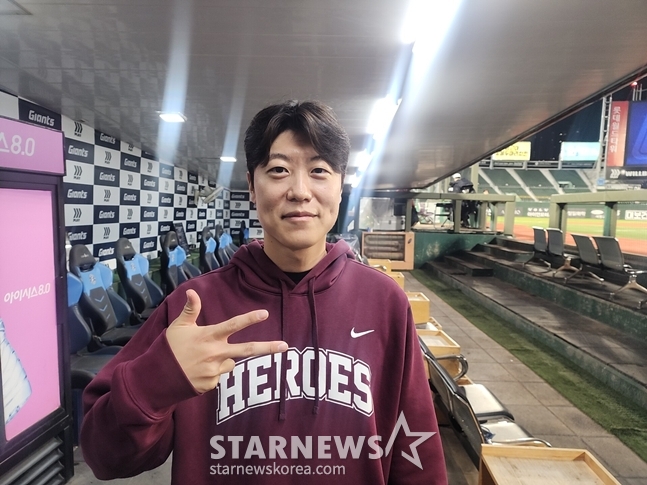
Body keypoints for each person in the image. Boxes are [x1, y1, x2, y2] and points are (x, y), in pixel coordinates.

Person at [80, 100, 448, 485]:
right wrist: (156, 381)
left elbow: (416, 447)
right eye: (278, 170)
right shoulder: (194, 307)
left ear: (341, 187)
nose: (300, 191)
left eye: (319, 171)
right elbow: (105, 458)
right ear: (253, 186)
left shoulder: (384, 301)